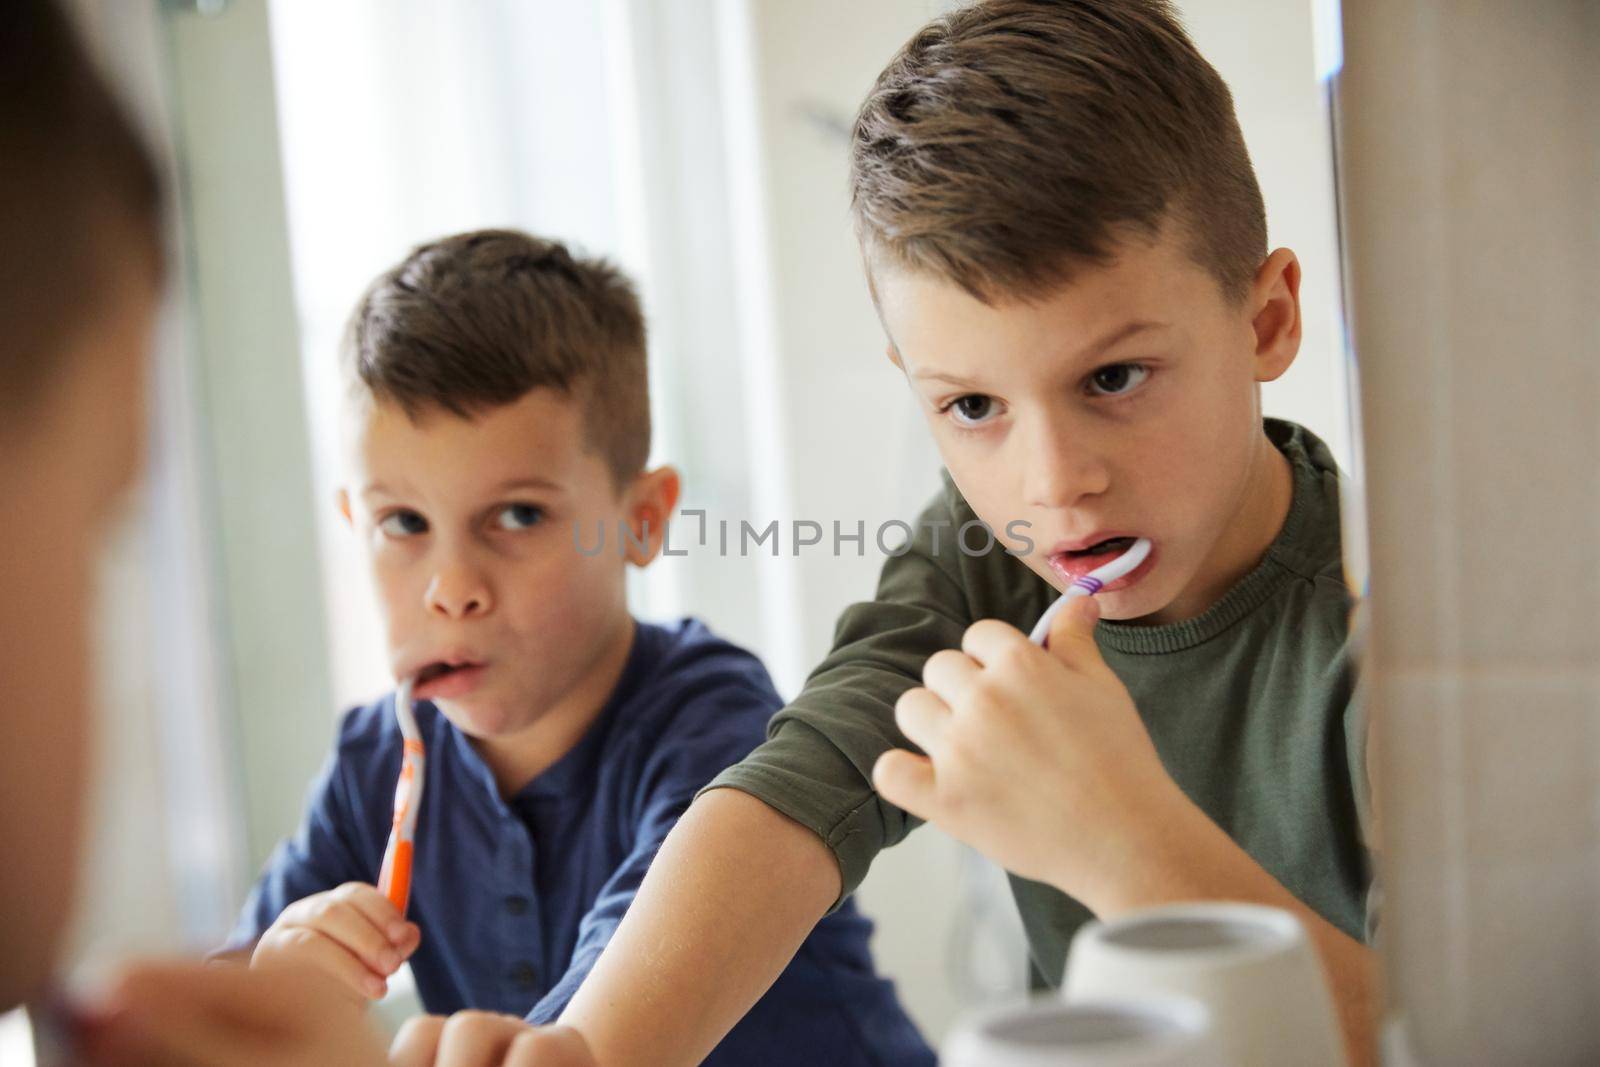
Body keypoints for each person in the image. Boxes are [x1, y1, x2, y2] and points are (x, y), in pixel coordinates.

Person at [410, 1, 1378, 1064]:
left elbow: (1472, 1030)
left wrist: (1123, 838)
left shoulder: (1395, 626)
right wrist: (596, 1046)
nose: (1053, 483)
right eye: (972, 407)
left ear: (1267, 321)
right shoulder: (977, 562)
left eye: (1112, 377)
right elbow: (794, 791)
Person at [220, 229, 933, 1066]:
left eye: (518, 515)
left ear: (641, 519)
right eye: (402, 523)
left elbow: (592, 1020)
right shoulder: (374, 766)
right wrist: (273, 989)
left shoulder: (713, 725)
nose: (450, 585)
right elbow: (202, 1023)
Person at [0, 2, 394, 1064]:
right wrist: (277, 966)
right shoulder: (376, 751)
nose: (451, 584)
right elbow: (248, 961)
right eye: (99, 535)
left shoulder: (696, 709)